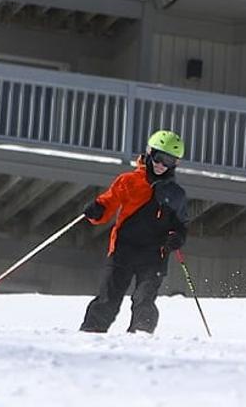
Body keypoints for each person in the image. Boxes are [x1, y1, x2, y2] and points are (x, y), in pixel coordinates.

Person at [80, 129, 189, 334]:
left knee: (144, 298)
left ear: (176, 164)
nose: (161, 165)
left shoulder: (176, 194)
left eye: (168, 161)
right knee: (108, 297)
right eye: (158, 157)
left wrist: (177, 237)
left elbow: (181, 224)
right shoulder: (129, 181)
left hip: (154, 255)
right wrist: (97, 210)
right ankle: (91, 331)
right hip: (123, 250)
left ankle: (141, 334)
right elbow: (109, 203)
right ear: (149, 153)